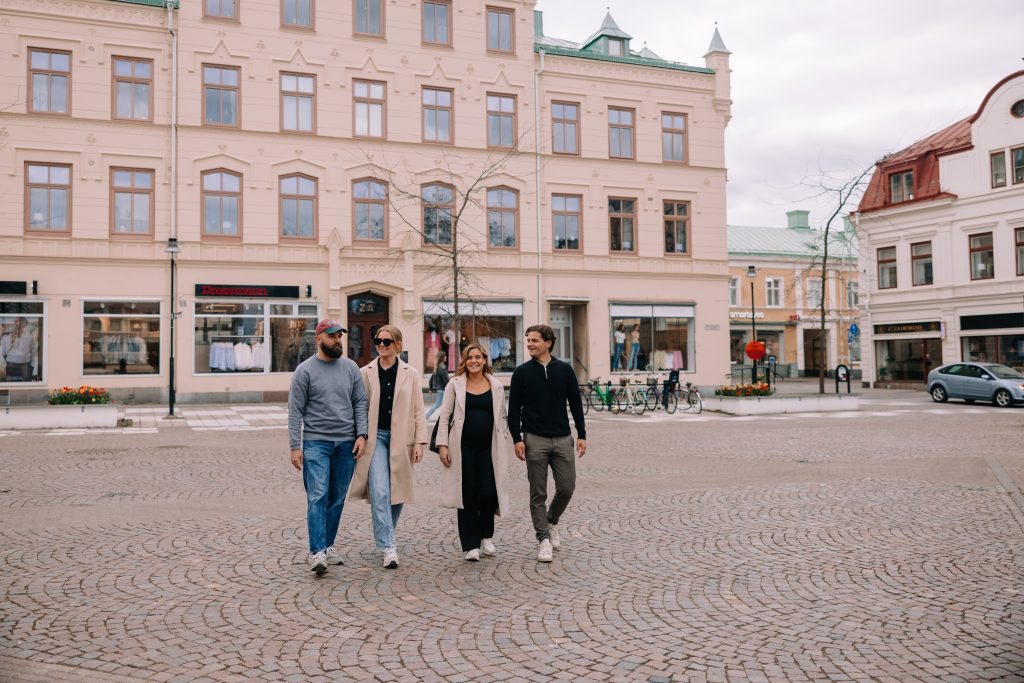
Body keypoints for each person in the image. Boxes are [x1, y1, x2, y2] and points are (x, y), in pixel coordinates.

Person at [288, 319, 369, 575]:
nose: (337, 340)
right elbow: (295, 411)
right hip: (316, 443)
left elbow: (359, 403)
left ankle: (329, 544)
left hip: (346, 444)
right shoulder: (304, 371)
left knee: (336, 498)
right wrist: (294, 446)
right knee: (317, 495)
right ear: (319, 338)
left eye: (339, 336)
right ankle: (317, 552)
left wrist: (362, 434)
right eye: (332, 336)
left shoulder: (350, 368)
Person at [349, 325, 428, 569]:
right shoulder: (365, 372)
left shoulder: (411, 373)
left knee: (399, 491)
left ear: (398, 345)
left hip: (402, 437)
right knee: (380, 491)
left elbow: (418, 408)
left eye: (387, 341)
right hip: (376, 438)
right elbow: (359, 408)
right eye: (378, 341)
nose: (382, 345)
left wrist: (420, 441)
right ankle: (388, 546)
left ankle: (386, 533)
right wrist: (360, 435)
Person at [508, 324, 587, 562]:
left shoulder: (565, 370)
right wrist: (516, 439)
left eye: (534, 340)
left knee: (566, 488)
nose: (530, 344)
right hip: (534, 438)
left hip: (563, 438)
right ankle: (543, 539)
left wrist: (581, 434)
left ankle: (552, 521)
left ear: (548, 343)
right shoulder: (521, 372)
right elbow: (513, 409)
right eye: (528, 340)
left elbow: (575, 403)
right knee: (538, 493)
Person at [435, 344, 513, 562]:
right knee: (467, 493)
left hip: (489, 448)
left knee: (488, 491)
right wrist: (442, 445)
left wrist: (505, 435)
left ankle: (486, 535)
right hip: (462, 447)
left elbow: (503, 416)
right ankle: (470, 544)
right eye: (470, 358)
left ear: (485, 360)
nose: (474, 361)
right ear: (464, 361)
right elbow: (444, 415)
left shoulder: (496, 385)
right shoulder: (455, 384)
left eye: (478, 357)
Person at [425, 351, 449, 421]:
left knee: (444, 405)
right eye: (445, 356)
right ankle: (426, 416)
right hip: (442, 390)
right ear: (442, 358)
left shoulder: (438, 367)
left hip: (441, 390)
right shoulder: (441, 368)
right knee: (437, 405)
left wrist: (430, 389)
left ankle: (444, 418)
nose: (446, 357)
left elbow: (431, 379)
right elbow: (446, 380)